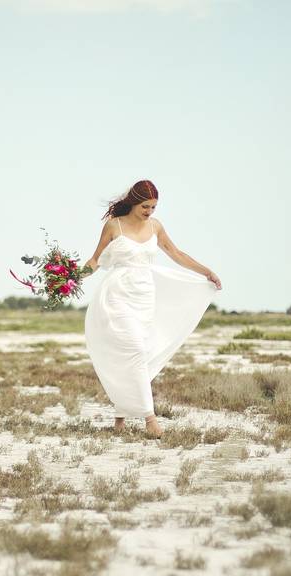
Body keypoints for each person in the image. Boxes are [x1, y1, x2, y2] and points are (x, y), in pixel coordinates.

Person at [80, 179, 222, 438]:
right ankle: (149, 419)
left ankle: (120, 416)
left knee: (137, 355)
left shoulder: (155, 226)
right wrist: (71, 278)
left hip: (144, 296)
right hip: (117, 295)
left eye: (154, 207)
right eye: (146, 206)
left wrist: (207, 272)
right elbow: (96, 261)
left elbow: (177, 254)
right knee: (132, 348)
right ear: (134, 202)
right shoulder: (114, 225)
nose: (150, 212)